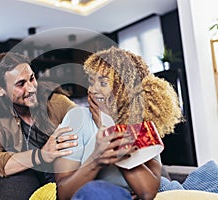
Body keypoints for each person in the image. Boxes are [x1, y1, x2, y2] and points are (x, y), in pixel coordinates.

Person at [54, 46, 183, 200]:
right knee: (97, 191)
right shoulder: (77, 118)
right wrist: (97, 160)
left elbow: (147, 193)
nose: (92, 90)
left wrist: (111, 129)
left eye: (103, 83)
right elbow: (63, 193)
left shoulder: (142, 126)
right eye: (91, 81)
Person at [0, 52, 78, 187]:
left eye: (32, 78)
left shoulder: (55, 101)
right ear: (0, 89)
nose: (31, 88)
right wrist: (40, 155)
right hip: (30, 183)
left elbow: (87, 122)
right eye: (21, 84)